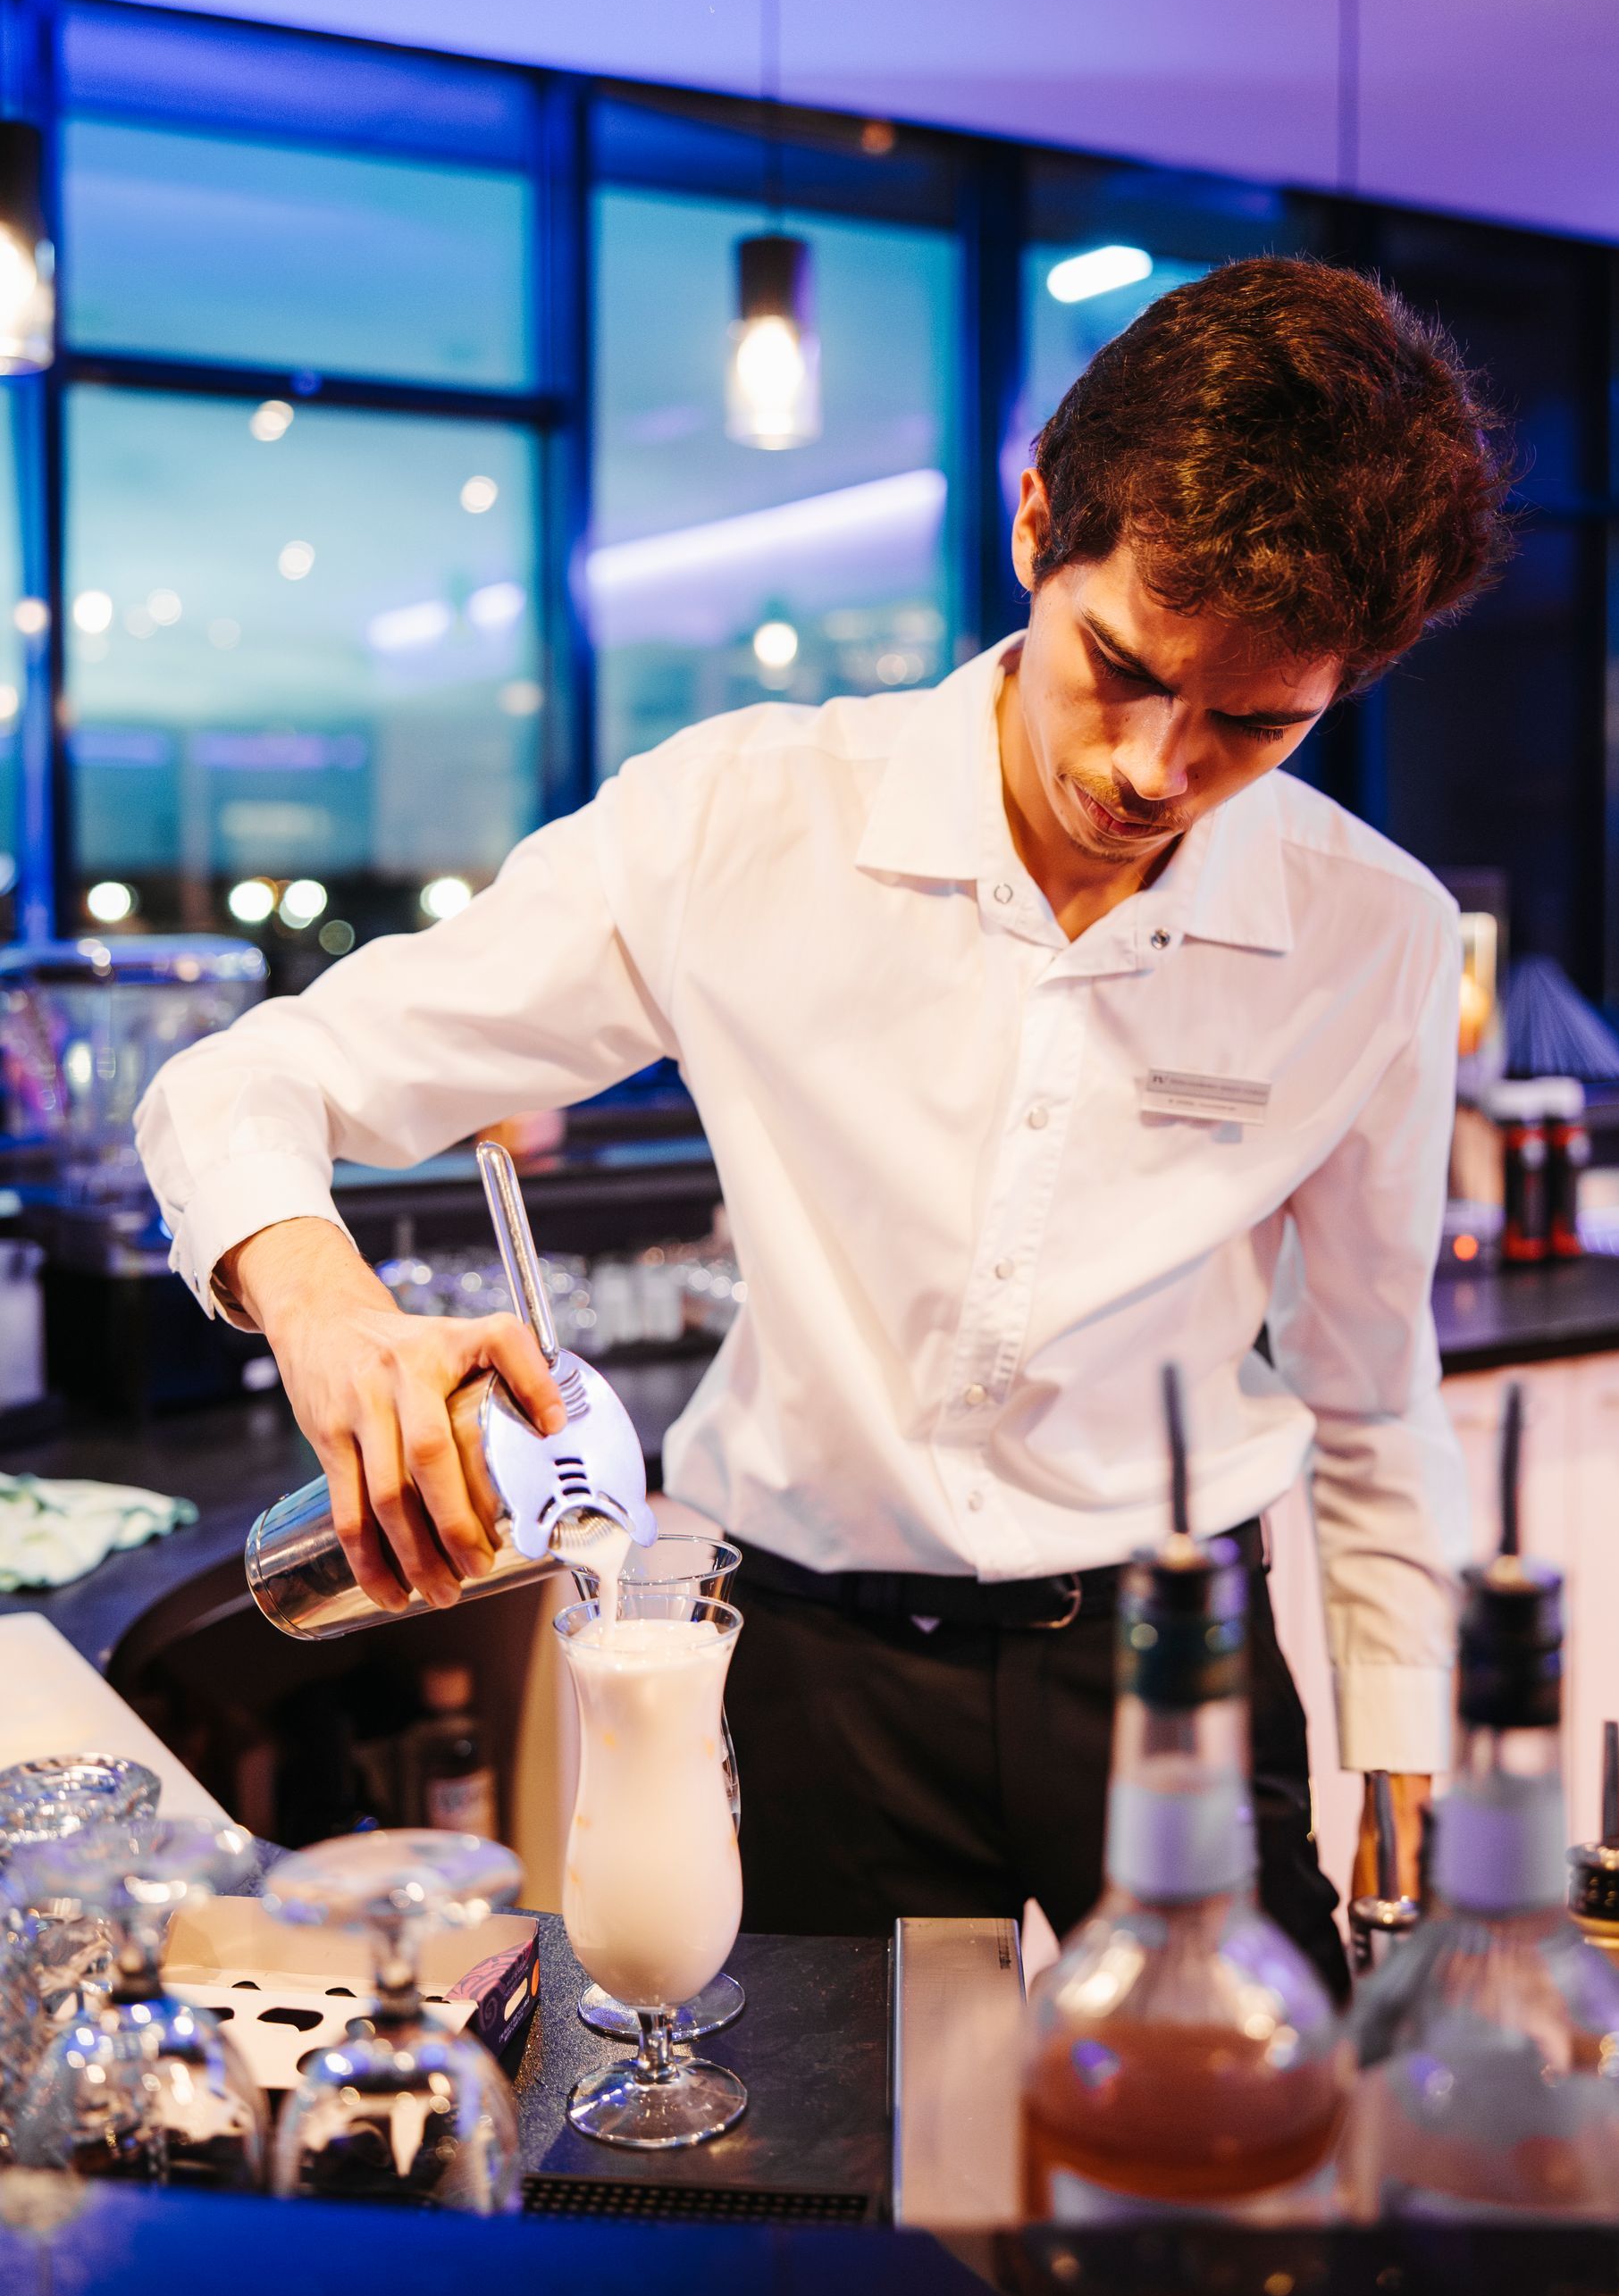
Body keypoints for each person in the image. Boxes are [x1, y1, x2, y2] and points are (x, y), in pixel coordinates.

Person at [138, 256, 1510, 1999]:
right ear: (1035, 527)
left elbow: (1372, 1390)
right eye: (1123, 670)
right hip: (806, 1662)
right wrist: (321, 1305)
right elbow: (240, 1081)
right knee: (809, 2232)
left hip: (1173, 1659)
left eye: (1254, 723)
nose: (1157, 767)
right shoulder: (747, 821)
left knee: (1223, 2209)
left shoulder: (1367, 935)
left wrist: (1405, 1739)